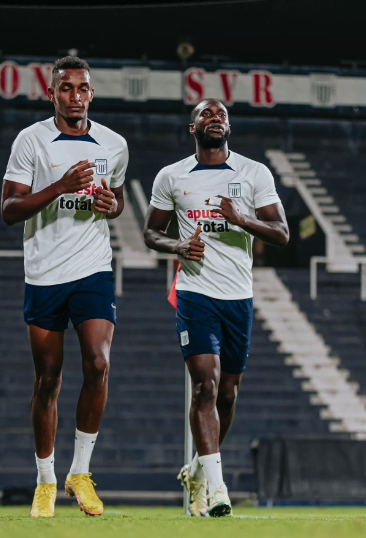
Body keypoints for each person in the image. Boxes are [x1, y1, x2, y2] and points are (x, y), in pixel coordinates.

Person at [144, 99, 289, 518]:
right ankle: (218, 489)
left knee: (228, 393)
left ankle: (197, 471)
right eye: (206, 115)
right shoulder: (172, 176)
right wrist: (176, 244)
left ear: (228, 127)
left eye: (221, 115)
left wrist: (242, 219)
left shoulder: (253, 173)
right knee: (205, 387)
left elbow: (281, 233)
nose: (215, 119)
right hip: (195, 292)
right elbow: (152, 232)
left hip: (238, 297)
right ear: (193, 128)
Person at [1, 56, 129, 518]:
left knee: (98, 362)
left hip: (92, 267)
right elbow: (9, 209)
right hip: (44, 272)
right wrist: (58, 187)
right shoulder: (31, 140)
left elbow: (115, 202)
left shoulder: (114, 144)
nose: (75, 95)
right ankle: (44, 480)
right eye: (67, 88)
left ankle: (80, 472)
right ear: (51, 94)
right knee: (47, 379)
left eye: (83, 88)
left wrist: (111, 204)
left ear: (92, 94)